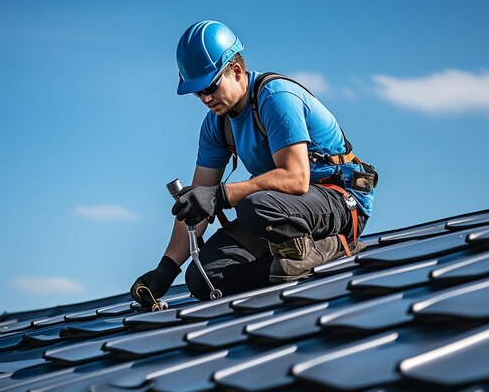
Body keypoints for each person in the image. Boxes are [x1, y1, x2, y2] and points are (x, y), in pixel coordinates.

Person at [131, 20, 376, 305]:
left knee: (254, 205)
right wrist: (167, 269)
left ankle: (335, 245)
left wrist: (222, 195)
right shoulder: (216, 125)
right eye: (198, 92)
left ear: (236, 71)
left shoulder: (275, 97)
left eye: (210, 86)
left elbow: (296, 178)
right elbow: (199, 202)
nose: (206, 98)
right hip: (286, 212)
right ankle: (293, 261)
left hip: (339, 201)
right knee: (204, 279)